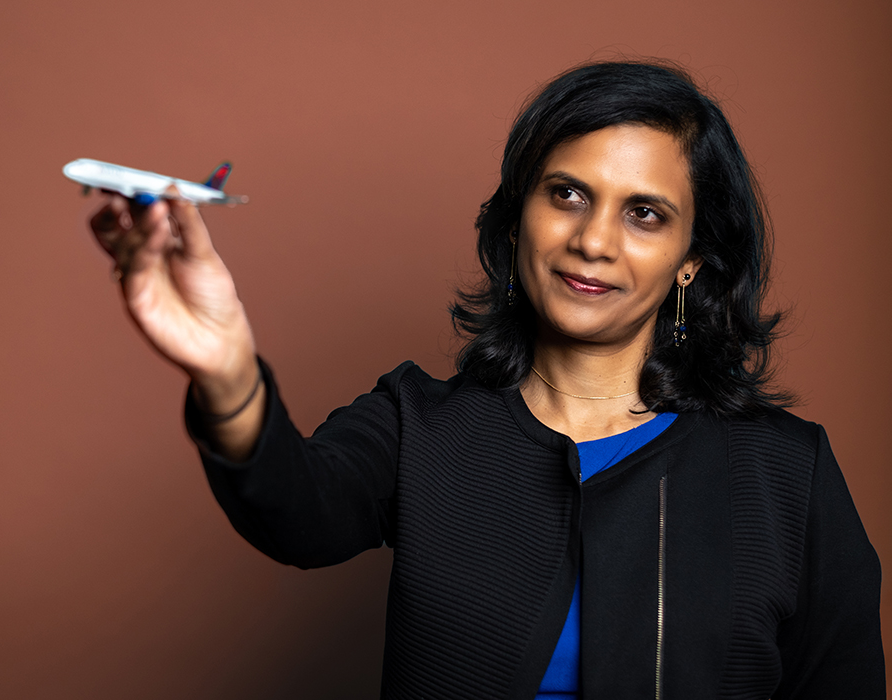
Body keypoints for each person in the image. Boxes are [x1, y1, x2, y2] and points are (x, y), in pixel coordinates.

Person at [88, 61, 884, 698]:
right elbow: (298, 511)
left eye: (644, 213)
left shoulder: (788, 473)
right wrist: (227, 372)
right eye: (567, 194)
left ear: (691, 261)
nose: (593, 241)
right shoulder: (417, 425)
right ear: (516, 221)